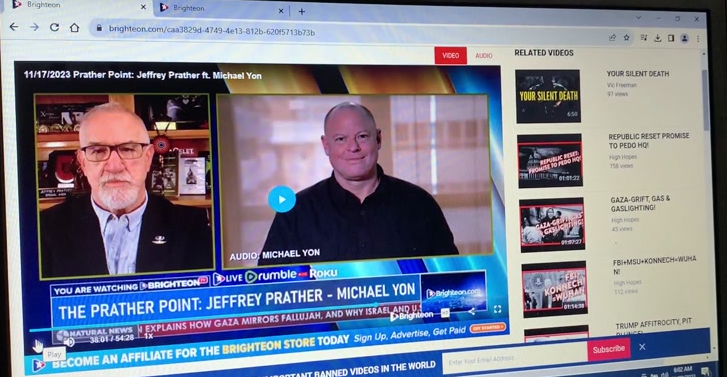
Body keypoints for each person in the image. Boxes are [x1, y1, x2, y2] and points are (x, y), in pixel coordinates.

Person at [257, 102, 458, 266]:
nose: (353, 147)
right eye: (340, 139)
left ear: (378, 139)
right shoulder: (296, 212)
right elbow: (270, 289)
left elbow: (451, 281)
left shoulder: (420, 204)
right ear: (326, 145)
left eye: (362, 136)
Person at [39, 103, 213, 278]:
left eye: (128, 149)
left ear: (148, 158)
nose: (114, 166)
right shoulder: (45, 229)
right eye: (98, 151)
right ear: (83, 162)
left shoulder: (190, 228)